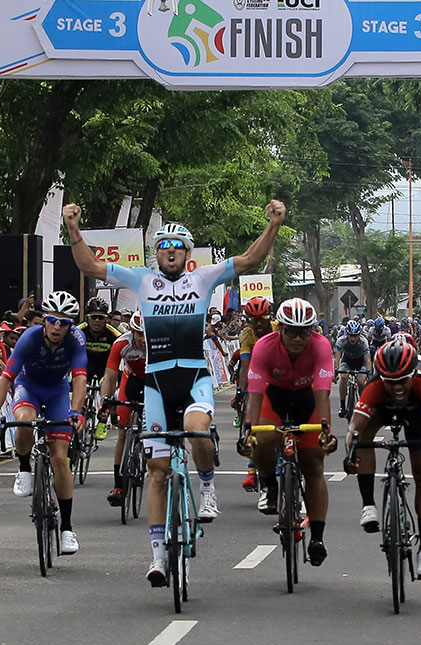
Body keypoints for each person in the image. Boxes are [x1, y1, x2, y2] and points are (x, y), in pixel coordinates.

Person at [65, 199, 284, 586]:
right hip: (156, 382)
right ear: (157, 253)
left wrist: (274, 225)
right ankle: (158, 556)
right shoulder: (141, 280)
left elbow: (249, 260)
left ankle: (207, 487)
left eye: (177, 246)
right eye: (164, 246)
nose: (170, 251)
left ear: (187, 253)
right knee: (157, 472)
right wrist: (73, 228)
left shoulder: (203, 279)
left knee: (196, 426)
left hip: (194, 375)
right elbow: (90, 266)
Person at [0, 291, 87, 556]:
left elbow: (79, 379)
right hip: (28, 386)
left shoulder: (76, 340)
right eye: (52, 320)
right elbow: (6, 378)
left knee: (60, 458)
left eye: (64, 323)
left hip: (58, 392)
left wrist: (76, 411)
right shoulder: (29, 338)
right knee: (25, 421)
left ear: (71, 325)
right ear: (44, 320)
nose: (57, 327)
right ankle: (25, 467)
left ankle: (67, 528)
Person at [346, 337, 421, 580]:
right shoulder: (375, 387)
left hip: (418, 413)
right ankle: (368, 505)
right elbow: (353, 427)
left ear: (413, 373)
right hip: (383, 409)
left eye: (402, 380)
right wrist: (350, 453)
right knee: (363, 437)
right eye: (390, 382)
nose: (397, 387)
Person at [242, 298, 337, 565]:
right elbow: (256, 395)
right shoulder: (264, 346)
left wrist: (325, 431)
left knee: (313, 463)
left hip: (308, 399)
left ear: (313, 331)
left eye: (304, 331)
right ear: (280, 329)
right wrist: (248, 430)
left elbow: (322, 394)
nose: (298, 337)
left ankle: (317, 537)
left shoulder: (321, 346)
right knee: (262, 439)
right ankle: (270, 483)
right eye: (291, 331)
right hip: (275, 396)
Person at [100, 312, 147, 506]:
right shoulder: (121, 343)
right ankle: (118, 485)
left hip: (153, 382)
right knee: (122, 431)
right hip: (132, 381)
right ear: (132, 332)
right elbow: (110, 375)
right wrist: (105, 401)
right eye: (139, 335)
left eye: (147, 335)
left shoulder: (159, 344)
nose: (143, 340)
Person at [234, 295, 275, 492]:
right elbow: (245, 366)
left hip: (278, 375)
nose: (258, 324)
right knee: (250, 423)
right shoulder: (247, 335)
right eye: (253, 320)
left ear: (270, 317)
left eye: (262, 319)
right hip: (257, 377)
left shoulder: (279, 329)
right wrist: (243, 391)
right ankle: (251, 471)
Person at [77, 296, 120, 434]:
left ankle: (102, 418)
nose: (96, 321)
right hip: (85, 363)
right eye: (93, 317)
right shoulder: (79, 331)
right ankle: (79, 410)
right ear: (87, 317)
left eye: (100, 318)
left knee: (110, 384)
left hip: (105, 365)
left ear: (106, 319)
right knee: (76, 384)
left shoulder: (114, 334)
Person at [334, 319, 372, 418]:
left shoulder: (363, 342)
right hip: (347, 361)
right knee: (344, 377)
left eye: (355, 336)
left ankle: (363, 403)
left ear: (359, 335)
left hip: (360, 362)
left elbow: (368, 360)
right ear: (347, 334)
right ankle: (342, 406)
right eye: (351, 335)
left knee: (361, 381)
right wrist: (335, 371)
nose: (353, 338)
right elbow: (337, 358)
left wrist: (369, 373)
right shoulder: (341, 340)